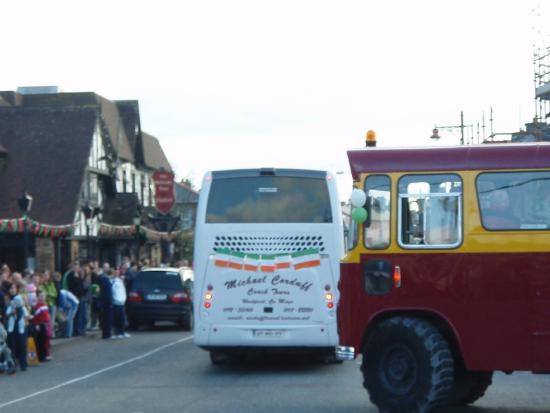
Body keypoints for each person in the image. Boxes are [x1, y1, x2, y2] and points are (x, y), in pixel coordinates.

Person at [5, 282, 31, 371]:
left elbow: (24, 309)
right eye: (11, 288)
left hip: (21, 324)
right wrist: (11, 312)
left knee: (22, 344)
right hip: (11, 325)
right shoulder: (7, 299)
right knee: (12, 345)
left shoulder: (20, 298)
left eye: (14, 288)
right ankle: (13, 364)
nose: (12, 290)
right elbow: (6, 313)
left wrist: (27, 315)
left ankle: (23, 363)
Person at [32, 290, 52, 361]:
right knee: (41, 341)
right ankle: (42, 356)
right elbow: (35, 317)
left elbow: (47, 315)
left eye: (43, 296)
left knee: (47, 340)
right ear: (37, 297)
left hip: (46, 325)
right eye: (40, 296)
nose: (42, 298)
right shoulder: (37, 306)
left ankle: (47, 354)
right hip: (41, 325)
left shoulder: (45, 305)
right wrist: (36, 324)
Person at [112, 270, 130, 339]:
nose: (117, 274)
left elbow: (122, 291)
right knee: (117, 319)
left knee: (122, 318)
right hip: (116, 303)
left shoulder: (121, 281)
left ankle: (122, 332)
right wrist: (115, 299)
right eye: (115, 272)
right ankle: (117, 332)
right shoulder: (112, 281)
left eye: (117, 273)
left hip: (122, 303)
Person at [98, 267, 114, 339]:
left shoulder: (104, 280)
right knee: (108, 318)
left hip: (104, 302)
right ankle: (107, 334)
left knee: (106, 318)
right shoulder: (106, 281)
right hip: (107, 303)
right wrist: (110, 302)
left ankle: (106, 333)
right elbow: (108, 294)